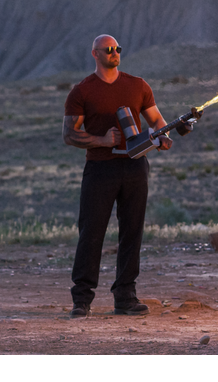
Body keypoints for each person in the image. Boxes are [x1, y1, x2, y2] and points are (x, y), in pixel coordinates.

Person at [62, 34, 174, 318]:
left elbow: (157, 120)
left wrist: (164, 136)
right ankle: (82, 300)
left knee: (132, 231)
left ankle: (125, 296)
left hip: (135, 166)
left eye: (117, 49)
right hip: (100, 169)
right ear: (95, 54)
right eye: (108, 49)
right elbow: (69, 135)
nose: (114, 53)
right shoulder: (82, 91)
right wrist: (102, 140)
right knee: (91, 232)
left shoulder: (137, 85)